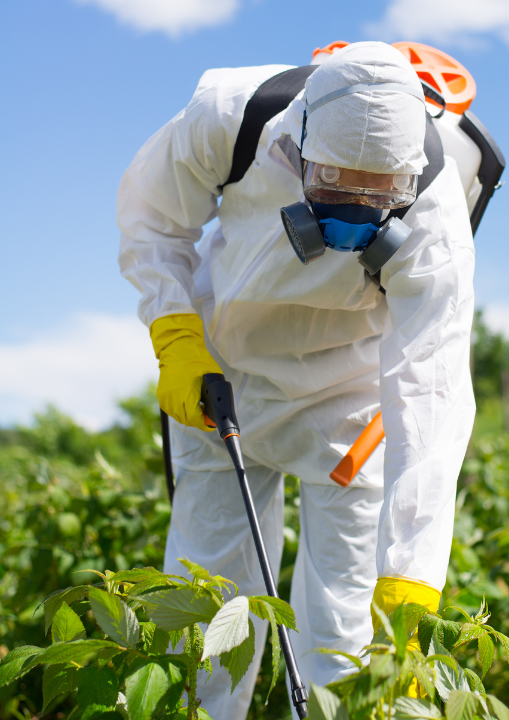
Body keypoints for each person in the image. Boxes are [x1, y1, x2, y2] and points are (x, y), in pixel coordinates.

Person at [118, 41, 475, 718]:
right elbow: (152, 217)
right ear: (300, 145)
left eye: (380, 197)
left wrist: (410, 583)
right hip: (221, 371)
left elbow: (432, 390)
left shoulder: (435, 212)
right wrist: (174, 334)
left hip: (349, 398)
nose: (357, 208)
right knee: (207, 605)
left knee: (346, 617)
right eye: (338, 187)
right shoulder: (231, 118)